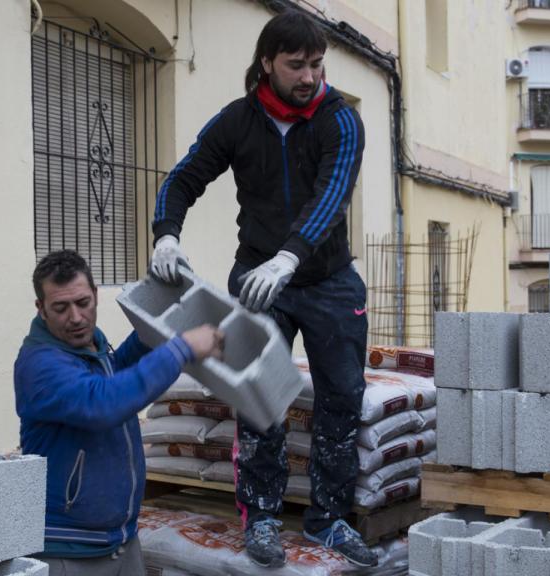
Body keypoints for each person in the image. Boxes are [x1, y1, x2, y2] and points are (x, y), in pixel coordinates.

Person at [149, 10, 376, 569]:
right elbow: (184, 177)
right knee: (258, 398)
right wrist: (166, 235)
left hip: (326, 278)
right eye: (296, 65)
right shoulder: (237, 121)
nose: (309, 76)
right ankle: (263, 516)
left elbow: (330, 197)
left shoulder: (341, 120)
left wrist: (289, 258)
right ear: (267, 63)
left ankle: (329, 520)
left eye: (317, 64)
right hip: (257, 280)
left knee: (341, 400)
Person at [14, 250, 224, 576]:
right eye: (60, 307)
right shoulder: (40, 365)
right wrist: (181, 349)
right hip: (69, 551)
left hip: (121, 541)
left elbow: (118, 372)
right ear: (41, 309)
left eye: (83, 303)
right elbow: (104, 403)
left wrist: (157, 318)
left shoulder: (89, 346)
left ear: (96, 295)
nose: (76, 317)